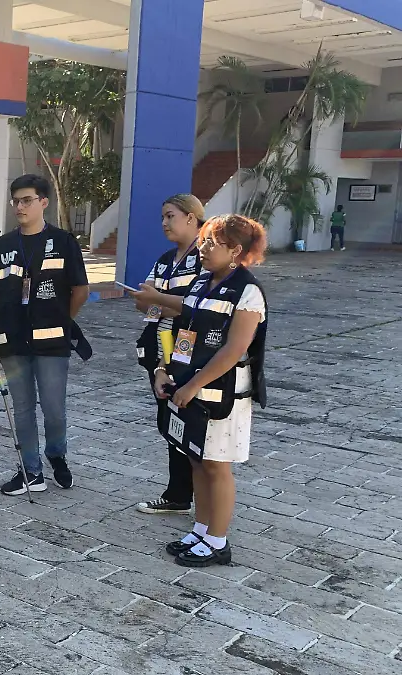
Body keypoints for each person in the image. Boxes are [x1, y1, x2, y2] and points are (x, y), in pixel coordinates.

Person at [135, 214, 269, 567]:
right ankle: (201, 530)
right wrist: (164, 370)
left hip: (220, 393)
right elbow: (183, 330)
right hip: (188, 386)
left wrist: (194, 385)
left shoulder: (247, 291)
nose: (203, 248)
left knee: (216, 465)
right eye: (205, 240)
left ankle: (218, 541)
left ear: (236, 250)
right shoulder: (201, 283)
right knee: (196, 458)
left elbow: (233, 350)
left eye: (212, 242)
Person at [0, 174, 90, 496]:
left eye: (27, 200)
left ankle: (57, 456)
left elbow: (80, 291)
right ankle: (31, 471)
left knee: (54, 408)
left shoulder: (63, 242)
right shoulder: (3, 245)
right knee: (22, 408)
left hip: (52, 342)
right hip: (13, 342)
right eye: (16, 201)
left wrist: (61, 320)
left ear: (44, 202)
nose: (20, 206)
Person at [131, 194, 205, 515]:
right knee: (169, 421)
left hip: (188, 348)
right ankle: (177, 493)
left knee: (189, 422)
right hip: (160, 344)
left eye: (170, 216)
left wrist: (160, 299)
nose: (164, 223)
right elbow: (143, 301)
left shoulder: (206, 256)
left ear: (191, 217)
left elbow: (196, 306)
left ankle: (198, 499)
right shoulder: (165, 259)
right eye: (162, 217)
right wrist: (163, 301)